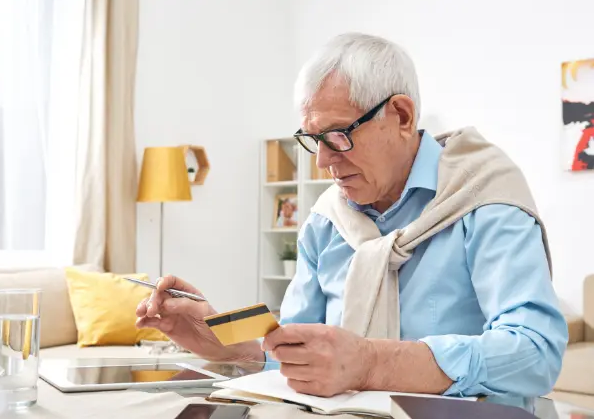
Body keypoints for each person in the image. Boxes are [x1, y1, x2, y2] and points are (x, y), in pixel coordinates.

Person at [136, 33, 568, 399]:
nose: (322, 163)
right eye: (312, 140)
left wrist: (373, 363)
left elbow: (535, 353)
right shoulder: (326, 222)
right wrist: (224, 340)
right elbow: (294, 343)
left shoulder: (485, 197)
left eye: (337, 136)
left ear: (401, 115)